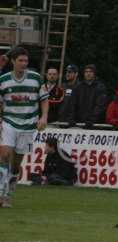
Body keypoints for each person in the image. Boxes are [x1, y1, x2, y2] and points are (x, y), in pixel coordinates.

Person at [0, 47, 49, 208]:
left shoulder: (35, 78)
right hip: (9, 122)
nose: (23, 63)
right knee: (5, 154)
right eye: (20, 60)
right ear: (13, 61)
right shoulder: (4, 79)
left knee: (16, 164)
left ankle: (9, 193)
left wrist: (43, 117)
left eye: (26, 61)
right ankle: (0, 193)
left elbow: (44, 99)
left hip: (28, 125)